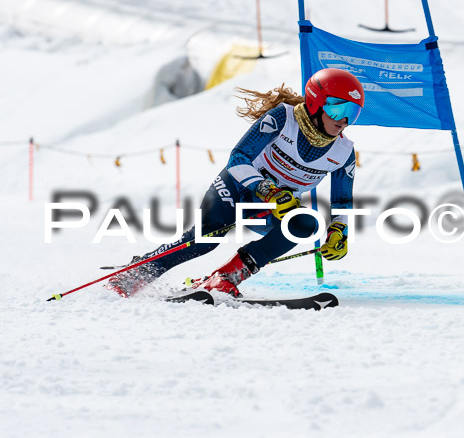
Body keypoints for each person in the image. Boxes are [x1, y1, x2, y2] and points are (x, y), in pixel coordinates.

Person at [105, 68, 363, 298]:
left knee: (305, 223)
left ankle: (225, 277)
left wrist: (339, 231)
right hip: (237, 189)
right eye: (337, 108)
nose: (343, 120)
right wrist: (268, 191)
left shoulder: (342, 151)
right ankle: (137, 272)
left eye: (352, 112)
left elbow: (342, 201)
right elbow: (238, 159)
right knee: (204, 240)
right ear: (316, 103)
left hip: (274, 207)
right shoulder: (283, 119)